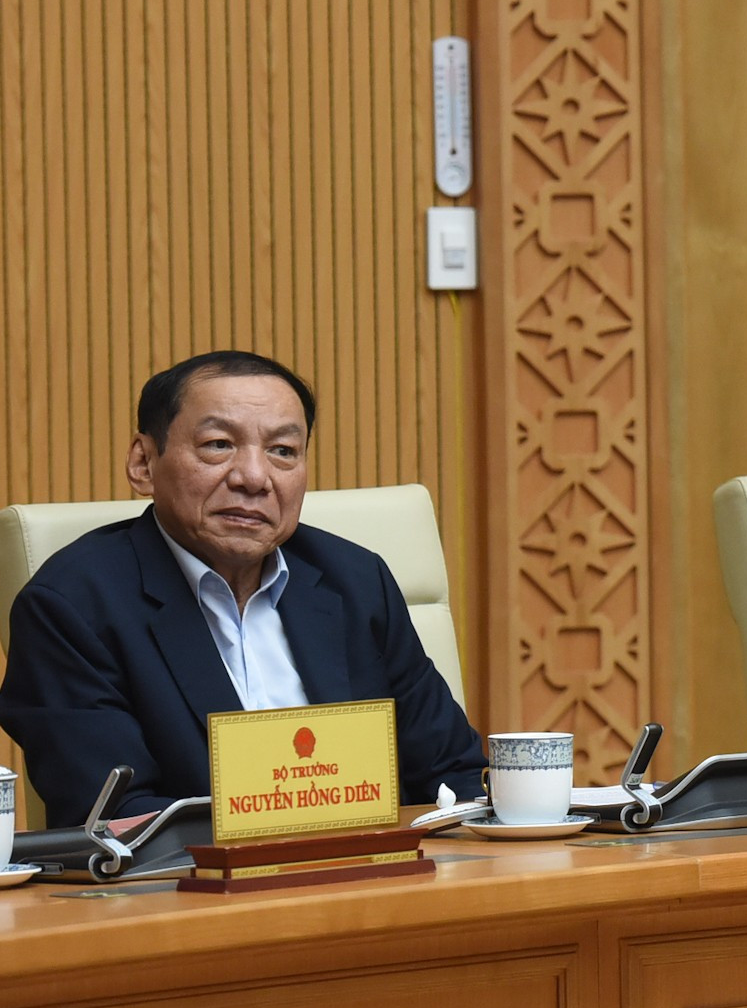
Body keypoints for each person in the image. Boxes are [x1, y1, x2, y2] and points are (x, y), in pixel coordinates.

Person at [0, 350, 485, 827]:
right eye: (218, 444)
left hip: (375, 882)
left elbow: (454, 774)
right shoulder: (73, 606)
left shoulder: (355, 581)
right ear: (144, 463)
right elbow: (113, 817)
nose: (254, 478)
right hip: (193, 896)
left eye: (283, 451)